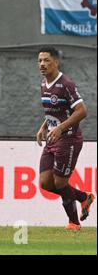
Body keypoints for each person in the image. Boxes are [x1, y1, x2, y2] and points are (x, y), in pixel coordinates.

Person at [36, 47, 95, 231]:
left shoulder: (66, 84)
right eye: (40, 61)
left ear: (56, 62)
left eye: (46, 60)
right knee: (45, 183)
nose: (42, 64)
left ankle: (74, 223)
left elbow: (82, 111)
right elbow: (55, 111)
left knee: (60, 183)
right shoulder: (44, 84)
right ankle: (84, 197)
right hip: (53, 138)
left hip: (68, 139)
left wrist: (61, 128)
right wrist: (43, 127)